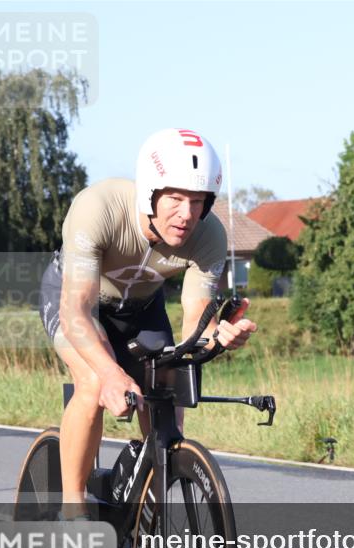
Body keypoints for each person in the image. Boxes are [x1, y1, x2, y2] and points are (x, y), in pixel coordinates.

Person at [38, 128, 257, 520]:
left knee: (167, 400)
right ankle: (72, 509)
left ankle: (146, 516)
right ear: (150, 192)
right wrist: (111, 374)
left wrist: (219, 338)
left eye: (197, 201)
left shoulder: (209, 236)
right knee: (91, 384)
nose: (186, 214)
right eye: (175, 198)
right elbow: (77, 313)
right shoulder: (98, 208)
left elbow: (196, 323)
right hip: (77, 302)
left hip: (142, 309)